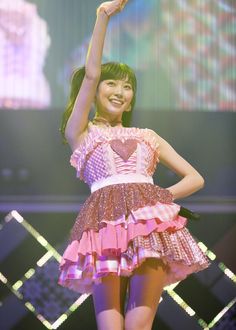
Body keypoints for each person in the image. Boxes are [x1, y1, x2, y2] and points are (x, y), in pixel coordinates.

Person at [58, 1, 209, 329]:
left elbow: (194, 178)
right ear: (96, 90)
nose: (120, 91)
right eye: (112, 84)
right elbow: (92, 72)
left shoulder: (147, 135)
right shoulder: (82, 133)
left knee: (140, 324)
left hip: (148, 228)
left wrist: (155, 201)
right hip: (104, 226)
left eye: (128, 86)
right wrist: (103, 16)